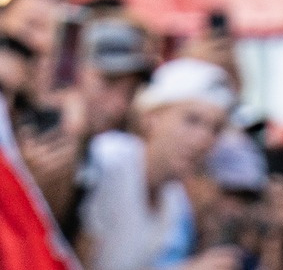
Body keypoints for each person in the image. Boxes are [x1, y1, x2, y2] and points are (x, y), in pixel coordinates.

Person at [77, 57, 241, 270]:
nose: (204, 140)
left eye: (216, 129)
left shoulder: (173, 199)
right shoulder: (110, 160)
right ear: (151, 117)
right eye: (192, 120)